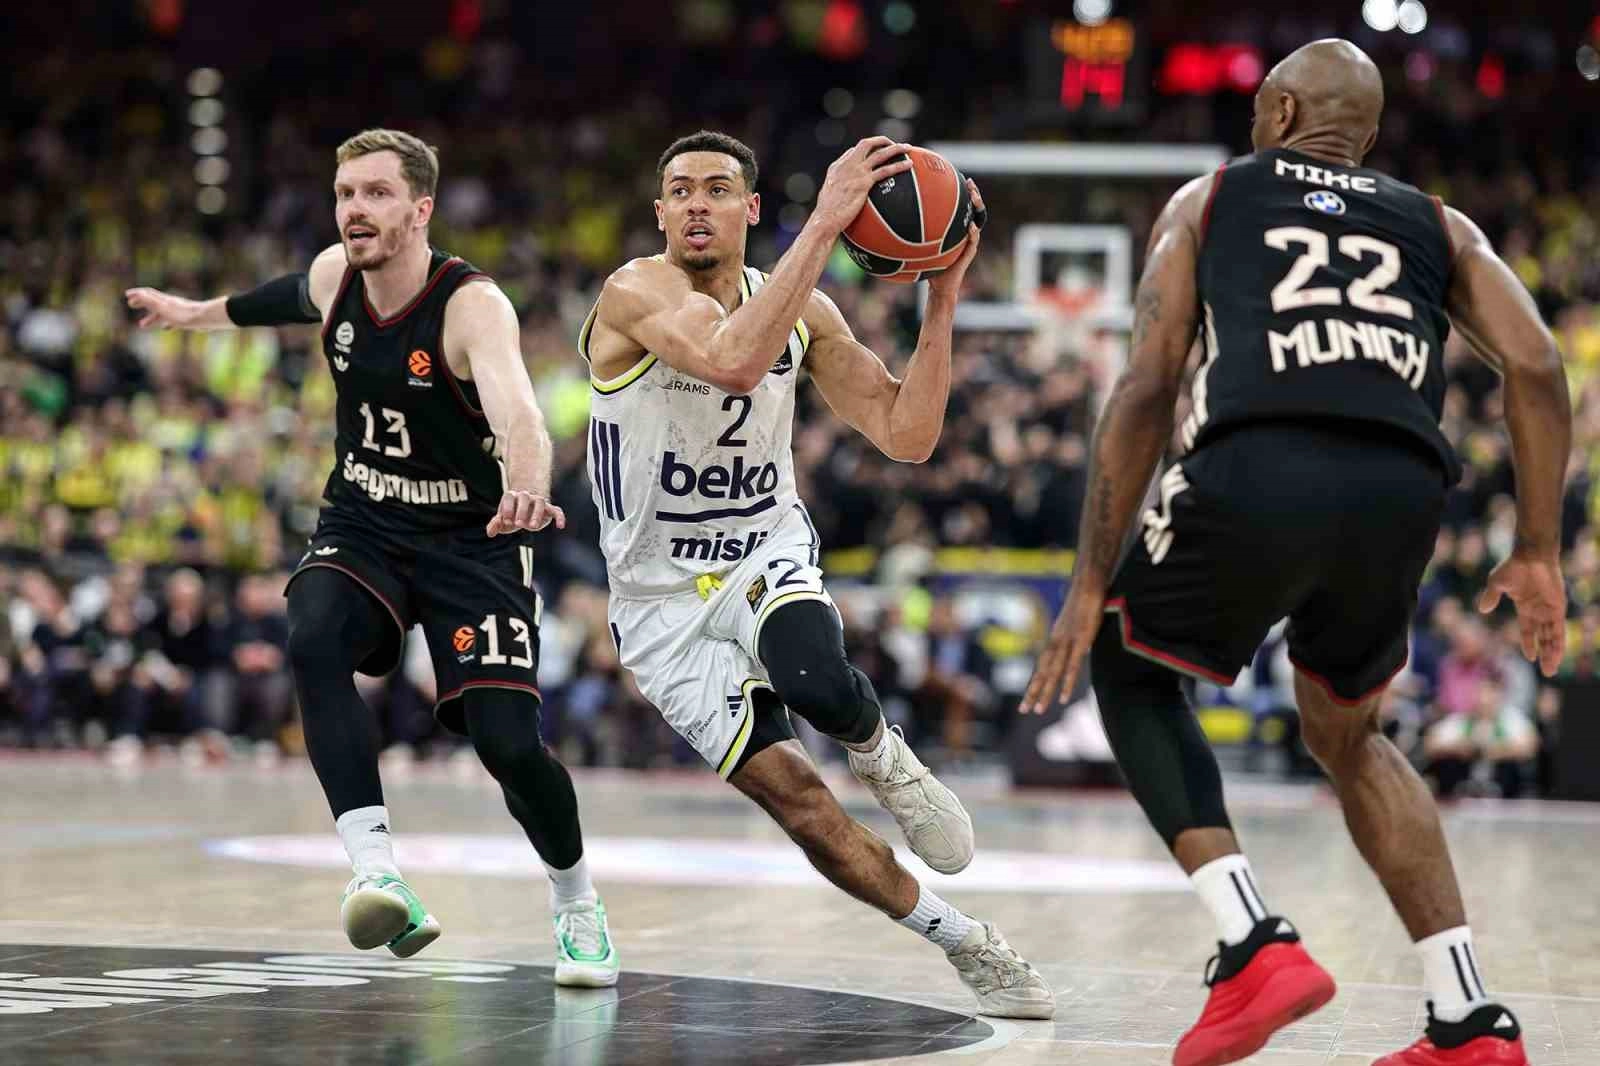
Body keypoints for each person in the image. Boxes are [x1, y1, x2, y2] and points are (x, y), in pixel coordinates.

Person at [1021, 39, 1567, 1066]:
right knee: (1351, 734)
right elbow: (1536, 364)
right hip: (1402, 489)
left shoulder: (1211, 198)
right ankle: (1467, 1020)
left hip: (1258, 460)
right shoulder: (1439, 223)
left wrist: (1090, 581)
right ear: (1367, 135)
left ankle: (1251, 944)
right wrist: (1537, 546)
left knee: (1129, 667)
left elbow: (1146, 386)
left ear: (1277, 111)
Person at [576, 129, 1053, 1019]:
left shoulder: (807, 312)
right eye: (679, 190)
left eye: (718, 189)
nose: (696, 204)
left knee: (814, 676)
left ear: (752, 209)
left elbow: (908, 436)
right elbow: (730, 361)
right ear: (660, 213)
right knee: (805, 810)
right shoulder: (635, 291)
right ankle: (968, 942)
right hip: (658, 602)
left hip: (759, 545)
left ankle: (886, 760)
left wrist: (942, 298)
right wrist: (829, 220)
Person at [125, 129, 618, 986]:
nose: (355, 208)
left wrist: (528, 486)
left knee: (507, 745)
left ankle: (576, 901)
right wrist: (190, 313)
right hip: (365, 521)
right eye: (345, 193)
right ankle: (377, 871)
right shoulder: (334, 278)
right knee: (313, 633)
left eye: (377, 193)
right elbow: (272, 301)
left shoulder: (472, 305)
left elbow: (520, 417)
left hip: (473, 540)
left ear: (421, 210)